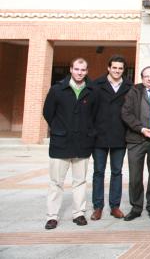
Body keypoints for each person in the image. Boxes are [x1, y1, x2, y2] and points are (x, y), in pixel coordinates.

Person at [43, 57, 97, 230]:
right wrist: (59, 129)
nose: (80, 73)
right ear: (71, 69)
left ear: (87, 71)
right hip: (61, 143)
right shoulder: (57, 89)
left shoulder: (92, 90)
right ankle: (52, 216)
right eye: (77, 69)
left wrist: (89, 133)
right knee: (56, 182)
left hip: (82, 143)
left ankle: (79, 213)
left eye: (83, 70)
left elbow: (94, 116)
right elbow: (48, 113)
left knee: (80, 181)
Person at [90, 55, 132, 221]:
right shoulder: (96, 85)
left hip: (119, 136)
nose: (117, 71)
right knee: (98, 172)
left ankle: (115, 206)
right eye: (114, 67)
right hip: (99, 137)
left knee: (117, 172)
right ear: (108, 68)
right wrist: (92, 132)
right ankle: (98, 207)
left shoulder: (129, 86)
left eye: (120, 68)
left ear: (124, 70)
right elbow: (90, 110)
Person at [121, 65, 150, 221]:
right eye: (146, 76)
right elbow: (126, 113)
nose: (149, 78)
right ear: (142, 78)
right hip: (136, 140)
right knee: (135, 176)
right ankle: (136, 207)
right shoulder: (134, 92)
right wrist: (141, 129)